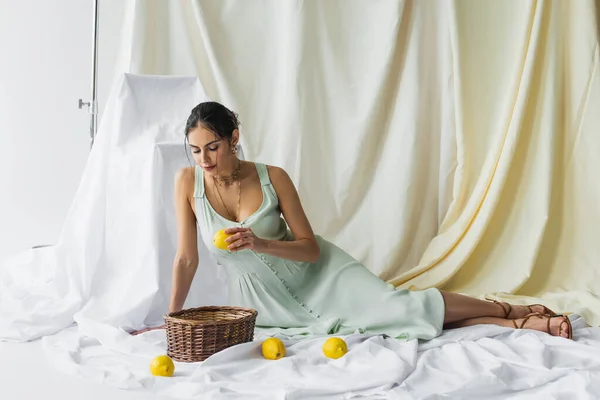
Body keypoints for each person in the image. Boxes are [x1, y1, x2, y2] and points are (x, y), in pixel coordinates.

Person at [130, 101, 572, 340]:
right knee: (398, 325)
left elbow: (310, 248)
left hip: (322, 276)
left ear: (234, 139)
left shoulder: (273, 177)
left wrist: (260, 243)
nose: (204, 159)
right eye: (195, 149)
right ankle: (518, 321)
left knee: (400, 308)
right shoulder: (186, 183)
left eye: (213, 147)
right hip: (268, 307)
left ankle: (512, 313)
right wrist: (173, 318)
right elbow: (186, 260)